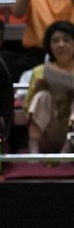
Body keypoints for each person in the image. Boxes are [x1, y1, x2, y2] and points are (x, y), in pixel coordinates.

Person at [23, 20, 74, 154]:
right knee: (42, 95)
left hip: (70, 129)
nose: (61, 44)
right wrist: (36, 91)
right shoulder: (40, 71)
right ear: (49, 45)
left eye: (66, 40)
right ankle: (34, 150)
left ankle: (67, 149)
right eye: (55, 41)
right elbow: (26, 110)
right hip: (47, 130)